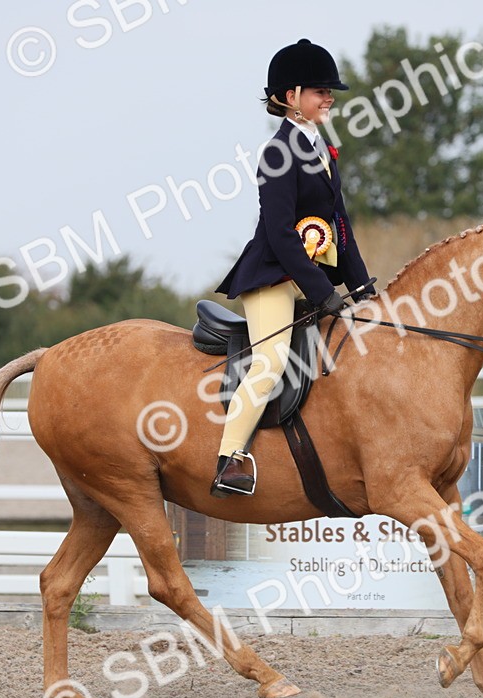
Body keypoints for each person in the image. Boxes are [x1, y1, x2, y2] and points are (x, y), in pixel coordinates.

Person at [211, 38, 375, 497]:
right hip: (271, 274)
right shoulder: (277, 154)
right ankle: (230, 459)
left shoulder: (321, 147)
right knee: (271, 360)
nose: (330, 98)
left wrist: (361, 287)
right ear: (290, 96)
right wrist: (323, 293)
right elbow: (283, 233)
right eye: (321, 90)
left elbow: (339, 223)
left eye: (330, 91)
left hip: (308, 273)